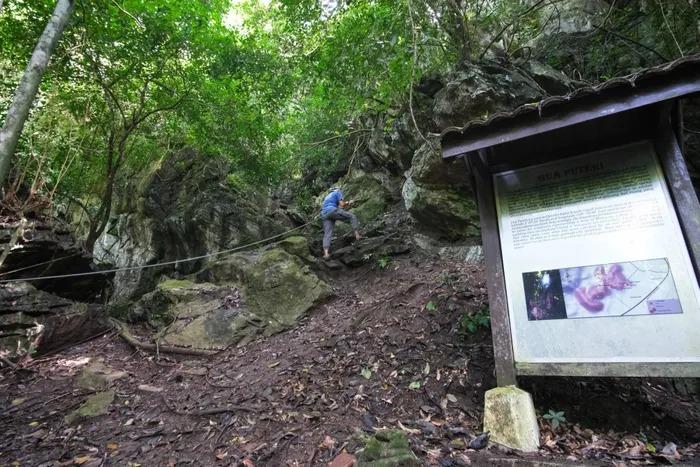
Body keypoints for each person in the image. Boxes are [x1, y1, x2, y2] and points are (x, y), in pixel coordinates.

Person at [320, 187, 361, 259]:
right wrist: (348, 202)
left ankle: (326, 254)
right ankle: (357, 235)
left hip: (324, 214)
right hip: (332, 210)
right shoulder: (337, 192)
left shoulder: (327, 197)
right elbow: (342, 204)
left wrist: (344, 205)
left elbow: (338, 207)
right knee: (352, 216)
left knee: (327, 233)